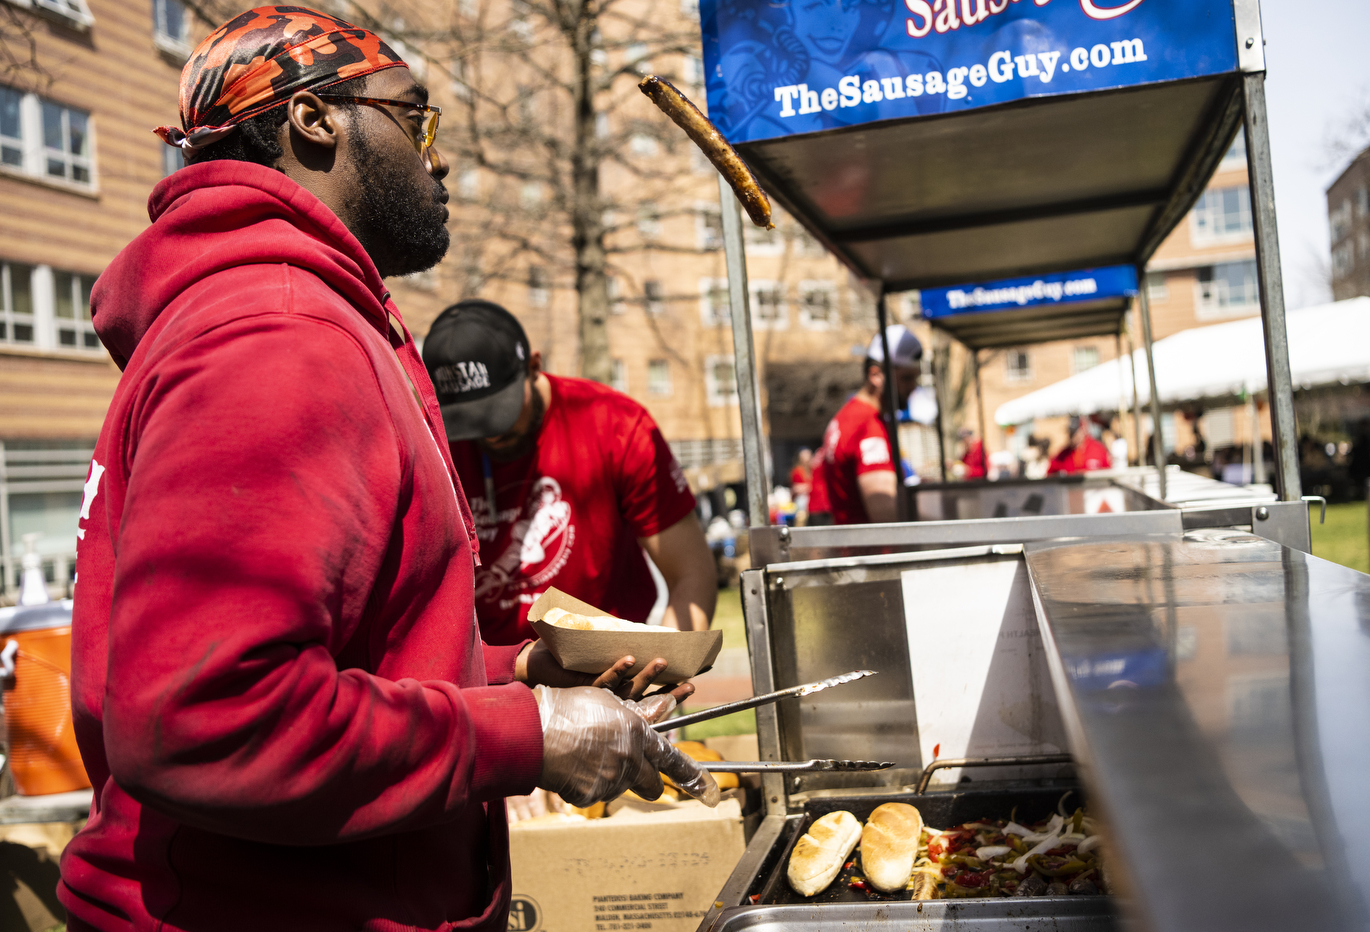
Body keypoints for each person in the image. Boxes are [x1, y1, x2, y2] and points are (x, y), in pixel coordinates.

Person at [60, 9, 715, 931]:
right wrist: (527, 736)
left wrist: (516, 673)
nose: (438, 160)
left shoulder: (287, 315)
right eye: (417, 119)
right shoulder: (277, 336)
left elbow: (351, 658)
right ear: (315, 121)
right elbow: (211, 716)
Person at [424, 301, 717, 642]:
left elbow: (690, 572)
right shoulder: (432, 442)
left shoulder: (614, 426)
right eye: (470, 422)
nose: (491, 434)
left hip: (610, 665)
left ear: (533, 366)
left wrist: (661, 670)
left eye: (499, 411)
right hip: (490, 679)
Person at [808, 325, 923, 525]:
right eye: (906, 378)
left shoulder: (845, 416)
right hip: (872, 552)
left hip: (853, 547)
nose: (913, 387)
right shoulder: (868, 426)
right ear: (875, 375)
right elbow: (886, 513)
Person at [789, 448, 814, 513]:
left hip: (813, 500)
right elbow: (796, 488)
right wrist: (809, 487)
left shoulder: (813, 470)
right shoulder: (797, 471)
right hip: (801, 501)